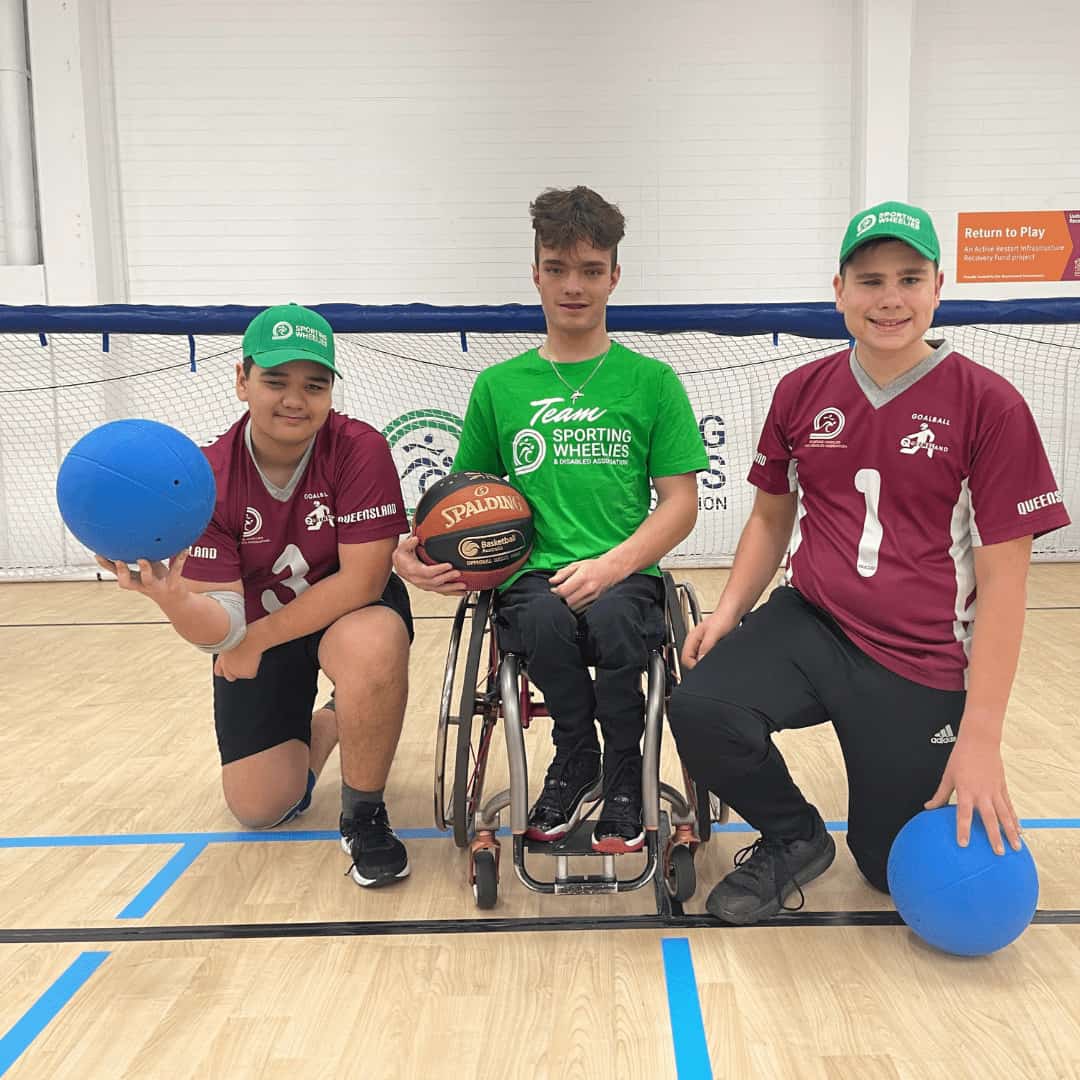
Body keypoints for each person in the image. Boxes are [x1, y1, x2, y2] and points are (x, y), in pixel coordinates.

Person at [668, 201, 1071, 923]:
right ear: (840, 290)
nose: (890, 299)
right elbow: (769, 514)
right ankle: (793, 837)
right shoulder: (803, 391)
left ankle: (881, 816)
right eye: (871, 280)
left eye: (910, 279)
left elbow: (1007, 585)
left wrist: (982, 740)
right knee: (702, 705)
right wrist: (727, 613)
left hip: (921, 657)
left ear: (938, 287)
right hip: (815, 621)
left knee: (891, 868)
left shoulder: (990, 405)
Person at [395, 186, 707, 852]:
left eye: (591, 270)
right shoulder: (500, 387)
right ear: (535, 271)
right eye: (558, 268)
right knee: (535, 618)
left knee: (620, 620)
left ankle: (626, 769)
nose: (574, 286)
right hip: (531, 576)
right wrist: (416, 553)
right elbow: (461, 499)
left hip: (623, 575)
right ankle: (577, 754)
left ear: (614, 277)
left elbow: (681, 501)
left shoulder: (652, 382)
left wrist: (610, 565)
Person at [97, 303, 414, 888]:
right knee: (261, 808)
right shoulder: (206, 478)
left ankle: (365, 815)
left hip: (344, 613)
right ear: (242, 380)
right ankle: (339, 719)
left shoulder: (359, 448)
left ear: (330, 392)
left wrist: (254, 640)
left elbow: (364, 581)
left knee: (373, 640)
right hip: (261, 626)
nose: (296, 399)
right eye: (276, 380)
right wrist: (169, 598)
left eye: (314, 385)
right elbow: (220, 625)